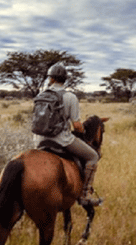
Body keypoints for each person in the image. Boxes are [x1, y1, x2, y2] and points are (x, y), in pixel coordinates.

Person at [34, 62, 102, 207]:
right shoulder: (70, 97)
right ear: (64, 79)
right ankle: (84, 195)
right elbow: (77, 125)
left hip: (39, 140)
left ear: (51, 79)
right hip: (61, 140)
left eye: (49, 78)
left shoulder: (41, 95)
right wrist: (81, 132)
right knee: (93, 156)